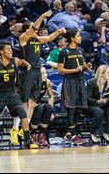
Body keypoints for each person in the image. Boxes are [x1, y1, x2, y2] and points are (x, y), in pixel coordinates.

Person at [10, 10, 65, 145]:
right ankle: (15, 128)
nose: (36, 29)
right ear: (27, 30)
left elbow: (49, 38)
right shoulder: (23, 38)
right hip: (26, 73)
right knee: (23, 103)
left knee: (32, 103)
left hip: (36, 72)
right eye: (33, 28)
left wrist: (59, 32)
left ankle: (25, 128)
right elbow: (34, 28)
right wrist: (41, 15)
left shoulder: (37, 39)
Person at [0, 41, 38, 149]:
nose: (11, 51)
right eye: (8, 49)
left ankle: (28, 140)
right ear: (1, 51)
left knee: (23, 113)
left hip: (12, 94)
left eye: (11, 49)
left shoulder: (15, 61)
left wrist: (27, 64)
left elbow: (23, 62)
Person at [58, 29, 92, 144]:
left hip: (80, 81)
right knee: (71, 108)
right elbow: (60, 69)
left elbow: (81, 66)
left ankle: (69, 133)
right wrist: (74, 70)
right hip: (69, 81)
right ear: (72, 38)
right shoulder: (64, 51)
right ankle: (73, 135)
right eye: (78, 36)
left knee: (80, 108)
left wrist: (86, 67)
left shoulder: (81, 50)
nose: (80, 37)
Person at [84, 65, 109, 143]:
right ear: (102, 74)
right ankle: (94, 133)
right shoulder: (91, 83)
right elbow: (86, 98)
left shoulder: (108, 83)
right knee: (99, 111)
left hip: (102, 105)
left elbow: (106, 97)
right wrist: (97, 101)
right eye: (108, 72)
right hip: (89, 106)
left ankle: (106, 132)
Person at [29, 67, 54, 147]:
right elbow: (24, 98)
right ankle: (32, 135)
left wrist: (51, 108)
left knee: (48, 108)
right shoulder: (31, 83)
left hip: (37, 102)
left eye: (45, 73)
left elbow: (51, 96)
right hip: (28, 104)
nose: (45, 75)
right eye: (42, 74)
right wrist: (32, 106)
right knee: (39, 108)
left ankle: (41, 135)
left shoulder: (47, 82)